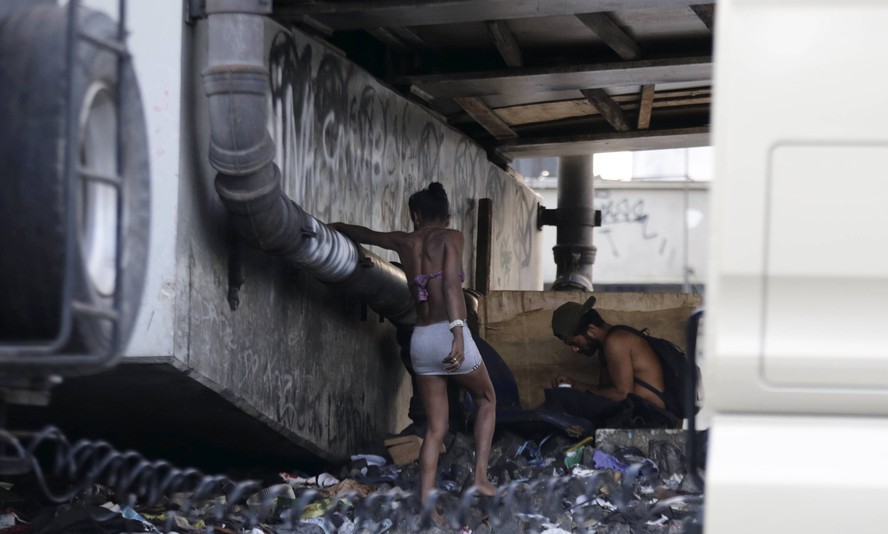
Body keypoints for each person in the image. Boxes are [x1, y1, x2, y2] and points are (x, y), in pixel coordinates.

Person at [329, 182, 498, 511]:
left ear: (415, 215)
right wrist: (459, 334)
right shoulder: (451, 237)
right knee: (487, 398)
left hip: (419, 338)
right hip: (449, 333)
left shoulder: (403, 241)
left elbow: (361, 232)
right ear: (447, 217)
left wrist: (332, 228)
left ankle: (426, 504)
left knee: (436, 428)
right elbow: (450, 283)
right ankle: (479, 476)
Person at [546, 295, 677, 427]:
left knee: (561, 398)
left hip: (650, 416)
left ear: (591, 330)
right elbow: (605, 393)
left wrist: (572, 392)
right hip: (636, 411)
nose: (575, 349)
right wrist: (574, 384)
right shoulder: (606, 347)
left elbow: (622, 394)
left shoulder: (616, 341)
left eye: (576, 343)